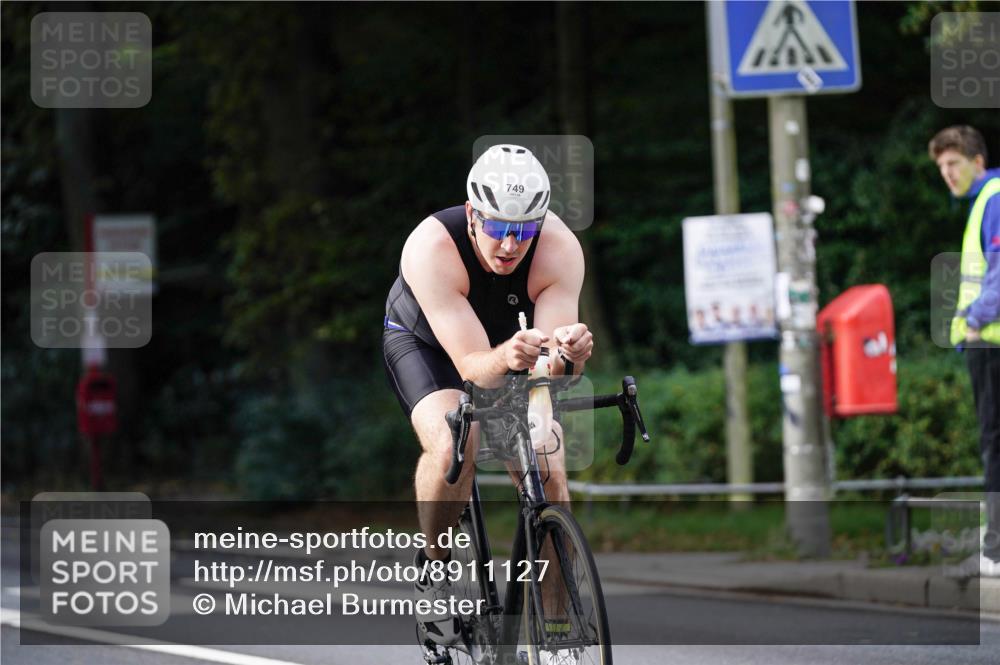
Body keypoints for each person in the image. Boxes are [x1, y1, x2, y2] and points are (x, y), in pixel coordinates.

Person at [382, 145, 592, 646]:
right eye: (499, 227)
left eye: (525, 230)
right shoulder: (431, 248)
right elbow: (475, 368)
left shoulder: (559, 249)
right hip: (431, 345)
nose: (511, 244)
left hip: (516, 348)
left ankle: (558, 632)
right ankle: (435, 566)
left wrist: (572, 356)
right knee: (459, 431)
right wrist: (511, 359)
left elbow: (549, 369)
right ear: (473, 214)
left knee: (550, 463)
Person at [929, 125, 1000, 576]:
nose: (947, 174)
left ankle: (995, 552)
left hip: (991, 341)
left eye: (953, 163)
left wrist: (974, 321)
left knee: (995, 445)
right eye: (941, 167)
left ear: (977, 161)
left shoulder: (993, 196)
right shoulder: (988, 198)